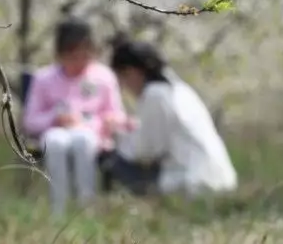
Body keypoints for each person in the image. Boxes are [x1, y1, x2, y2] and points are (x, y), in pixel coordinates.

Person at [102, 39, 238, 197]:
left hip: (194, 182)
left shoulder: (155, 95)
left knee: (110, 162)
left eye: (123, 78)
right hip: (220, 178)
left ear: (132, 72)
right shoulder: (179, 89)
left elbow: (145, 152)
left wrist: (117, 136)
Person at [22, 17, 128, 216]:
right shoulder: (43, 78)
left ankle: (86, 207)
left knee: (83, 140)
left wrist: (108, 122)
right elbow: (30, 121)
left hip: (91, 134)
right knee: (55, 143)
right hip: (55, 133)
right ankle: (58, 210)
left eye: (85, 56)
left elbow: (116, 115)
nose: (79, 62)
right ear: (60, 54)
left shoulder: (104, 77)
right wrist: (55, 117)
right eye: (73, 56)